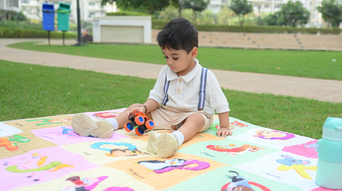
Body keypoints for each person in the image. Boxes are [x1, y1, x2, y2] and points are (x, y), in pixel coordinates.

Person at [71, 18, 232, 158]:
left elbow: (221, 104)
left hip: (194, 117)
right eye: (166, 56)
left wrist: (224, 126)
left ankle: (173, 140)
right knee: (135, 108)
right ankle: (107, 125)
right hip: (167, 114)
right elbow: (156, 97)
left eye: (175, 57)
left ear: (193, 53)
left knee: (196, 118)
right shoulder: (166, 71)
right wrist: (143, 108)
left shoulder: (206, 76)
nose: (169, 62)